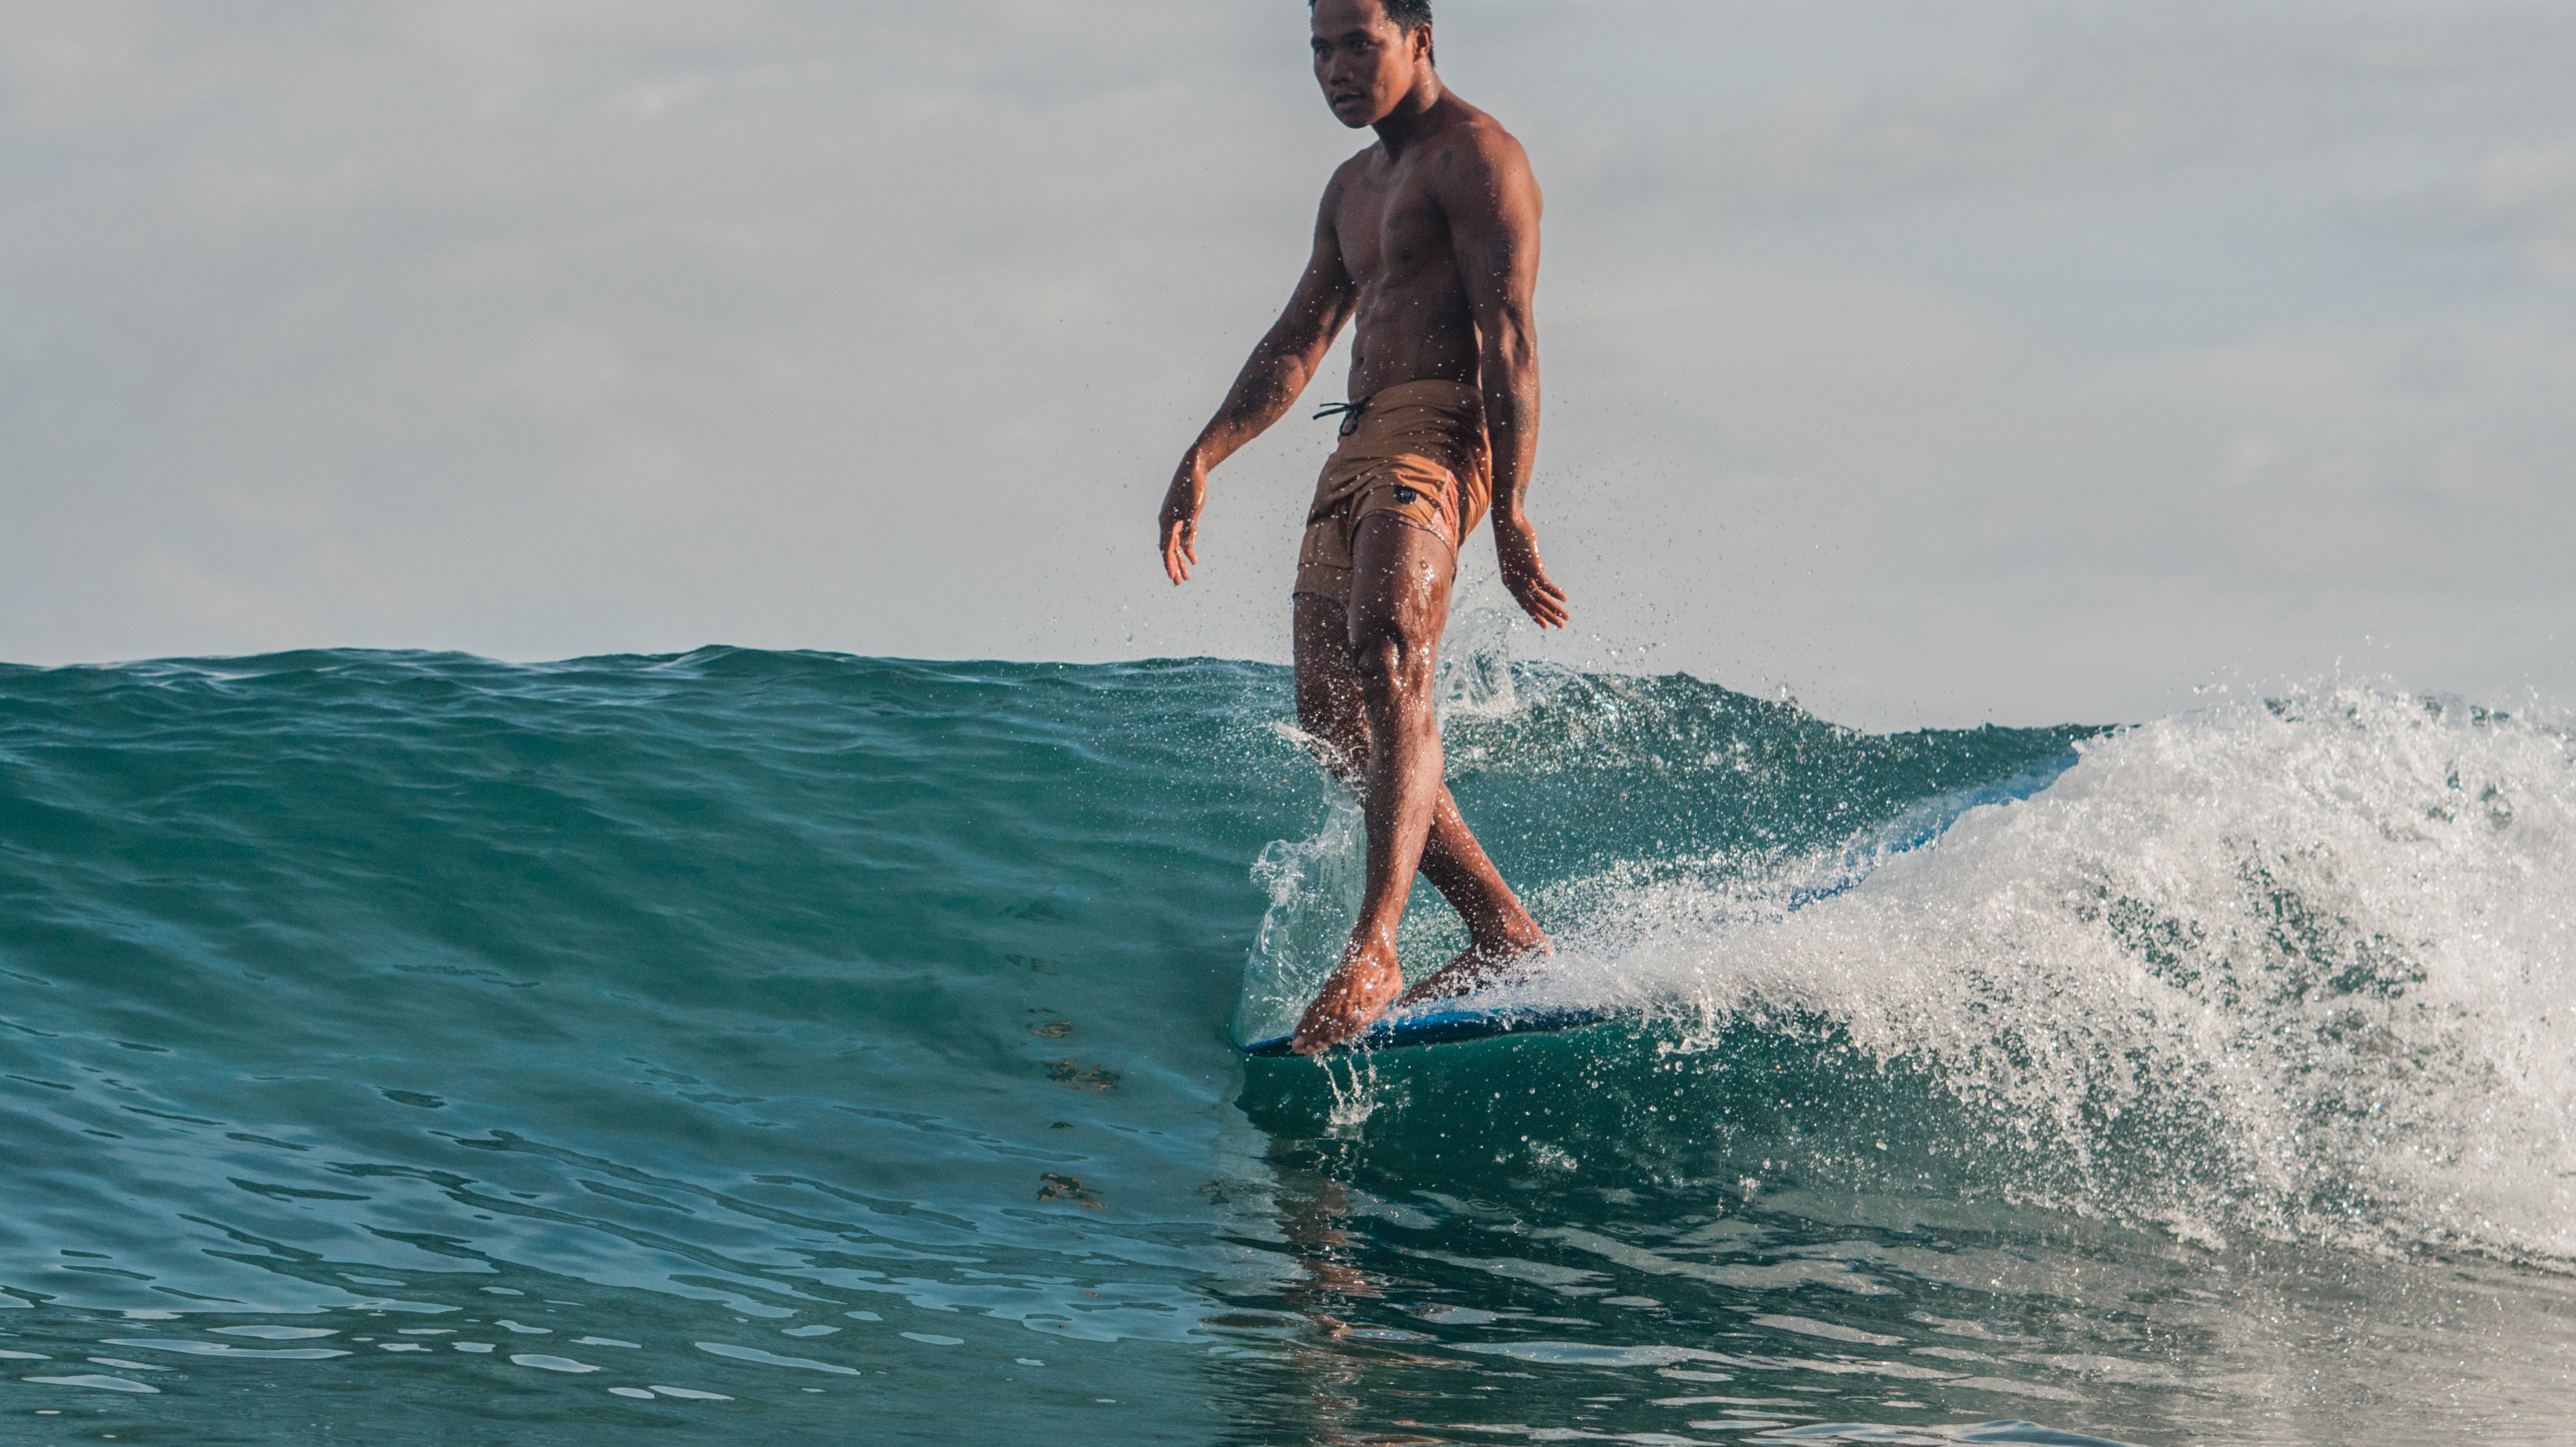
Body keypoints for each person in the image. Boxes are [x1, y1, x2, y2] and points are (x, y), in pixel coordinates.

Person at [1157, 0, 1570, 1054]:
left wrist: (1512, 506)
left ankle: (1377, 944)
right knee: (1329, 712)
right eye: (1320, 50)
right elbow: (1300, 338)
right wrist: (1204, 454)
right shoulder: (1351, 188)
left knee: (1390, 662)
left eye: (1358, 44)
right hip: (1358, 443)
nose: (1335, 69)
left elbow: (1511, 338)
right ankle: (1502, 928)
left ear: (1419, 38)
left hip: (1445, 425)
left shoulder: (1480, 159)